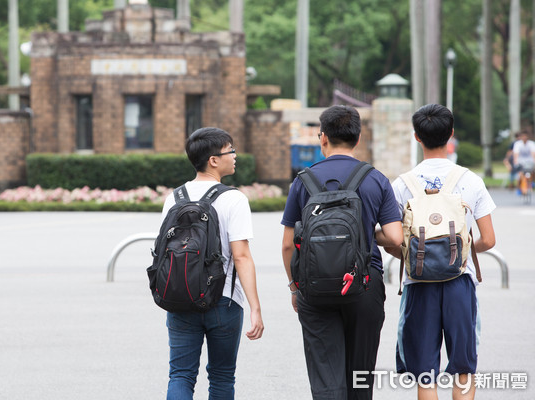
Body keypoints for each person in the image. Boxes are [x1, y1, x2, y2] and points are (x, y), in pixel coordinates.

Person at [281, 105, 403, 400]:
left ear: (322, 138)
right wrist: (366, 233)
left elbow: (287, 244)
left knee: (326, 376)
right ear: (357, 138)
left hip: (313, 285)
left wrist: (295, 287)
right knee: (360, 376)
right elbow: (396, 238)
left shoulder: (303, 180)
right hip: (363, 284)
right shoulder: (375, 179)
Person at [387, 104, 496, 400]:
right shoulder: (470, 180)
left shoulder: (401, 185)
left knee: (425, 372)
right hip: (460, 282)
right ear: (451, 135)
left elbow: (393, 239)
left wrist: (415, 255)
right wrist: (459, 251)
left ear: (416, 137)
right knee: (463, 369)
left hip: (418, 283)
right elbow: (488, 240)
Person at [159, 127, 264, 400]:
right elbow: (241, 255)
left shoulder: (174, 198)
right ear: (213, 160)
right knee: (221, 376)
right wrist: (255, 307)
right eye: (231, 150)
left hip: (180, 297)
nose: (235, 155)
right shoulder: (233, 198)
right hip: (224, 301)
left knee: (180, 375)